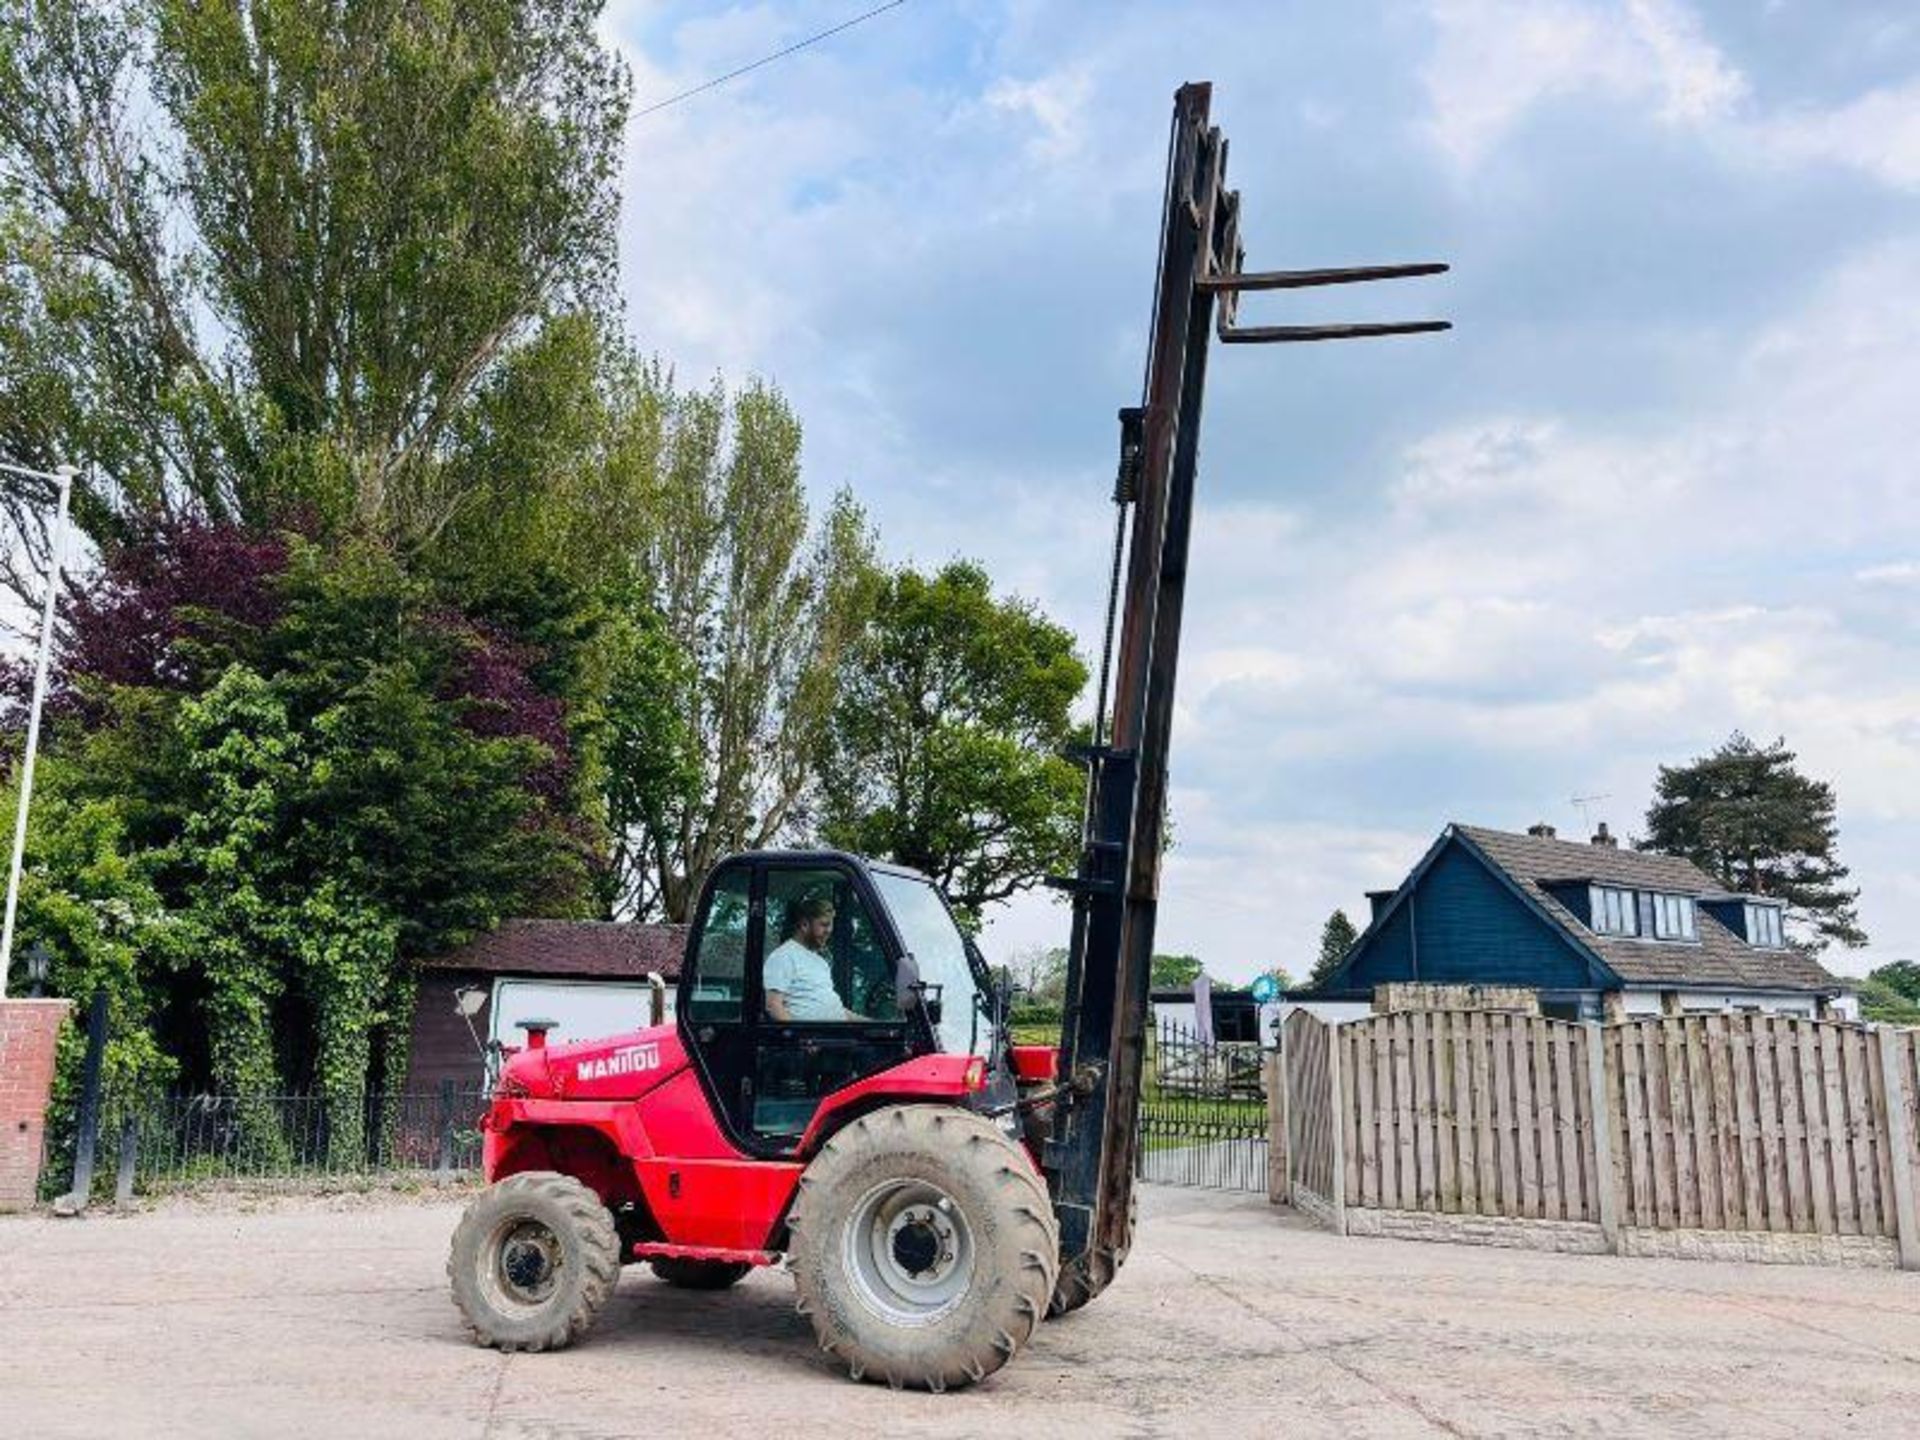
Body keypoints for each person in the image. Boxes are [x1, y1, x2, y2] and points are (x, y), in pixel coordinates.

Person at [765, 895, 858, 1021]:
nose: (829, 931)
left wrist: (871, 1023)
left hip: (839, 1034)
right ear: (804, 925)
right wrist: (798, 1036)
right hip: (810, 1037)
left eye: (830, 926)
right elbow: (773, 1006)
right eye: (824, 925)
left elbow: (836, 1010)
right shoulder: (783, 956)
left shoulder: (821, 962)